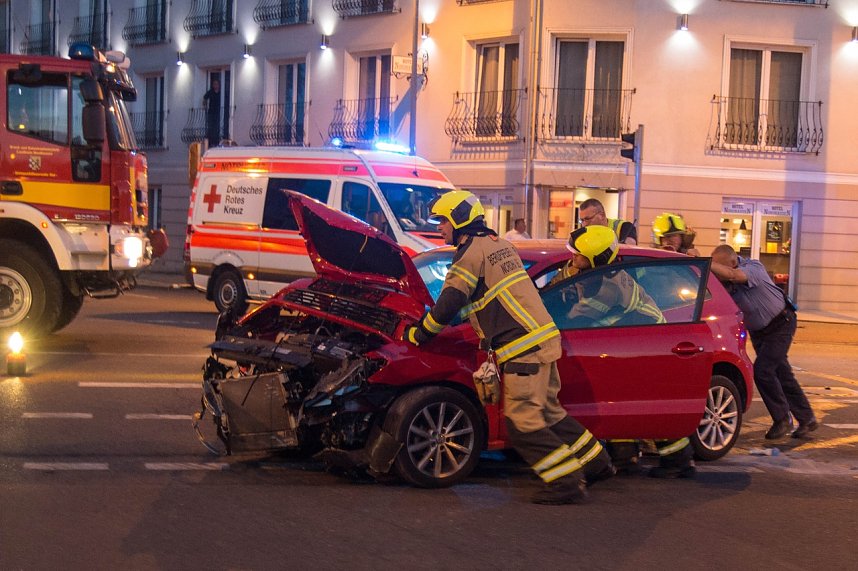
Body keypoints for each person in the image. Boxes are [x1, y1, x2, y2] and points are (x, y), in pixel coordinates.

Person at [402, 190, 614, 505]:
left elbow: (450, 301)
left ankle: (566, 481)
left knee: (521, 423)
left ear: (459, 220)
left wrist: (419, 334)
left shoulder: (470, 252)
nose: (440, 228)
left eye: (443, 221)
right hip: (542, 340)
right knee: (550, 413)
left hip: (522, 348)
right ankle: (596, 463)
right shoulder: (500, 245)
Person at [565, 225, 697, 478]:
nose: (573, 258)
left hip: (647, 346)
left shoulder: (607, 288)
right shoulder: (603, 275)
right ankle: (625, 458)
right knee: (619, 399)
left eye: (577, 255)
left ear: (594, 259)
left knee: (650, 406)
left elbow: (575, 318)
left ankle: (679, 460)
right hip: (634, 345)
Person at [710, 245, 817, 440]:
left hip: (781, 323)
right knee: (782, 374)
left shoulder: (753, 267)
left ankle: (782, 418)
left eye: (720, 268)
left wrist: (707, 264)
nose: (720, 276)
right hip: (760, 333)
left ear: (733, 263)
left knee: (763, 371)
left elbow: (734, 276)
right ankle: (807, 418)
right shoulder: (723, 282)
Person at [202, 79, 222, 147]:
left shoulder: (221, 92)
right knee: (211, 127)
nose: (215, 85)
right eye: (214, 84)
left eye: (217, 84)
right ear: (213, 85)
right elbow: (205, 98)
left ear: (219, 85)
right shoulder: (210, 92)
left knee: (217, 127)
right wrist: (204, 106)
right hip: (211, 112)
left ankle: (217, 140)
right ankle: (211, 141)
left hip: (218, 112)